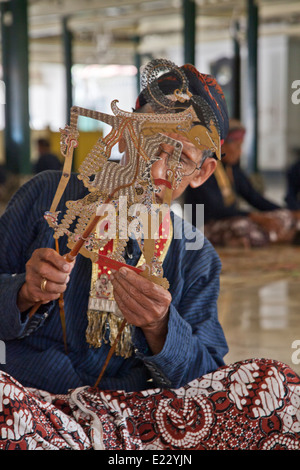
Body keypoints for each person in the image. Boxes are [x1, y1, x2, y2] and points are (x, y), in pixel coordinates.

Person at [0, 60, 299, 451]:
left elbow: (207, 382)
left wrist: (161, 328)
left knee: (278, 389)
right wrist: (23, 293)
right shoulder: (47, 195)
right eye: (148, 143)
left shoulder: (196, 256)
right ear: (124, 136)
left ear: (202, 172)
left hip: (137, 424)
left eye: (179, 158)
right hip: (29, 407)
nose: (155, 169)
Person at [185, 119, 296, 247]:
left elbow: (254, 197)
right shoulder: (204, 170)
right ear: (222, 145)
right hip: (203, 226)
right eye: (237, 146)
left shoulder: (232, 169)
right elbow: (218, 210)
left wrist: (288, 211)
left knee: (283, 216)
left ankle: (268, 237)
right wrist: (255, 217)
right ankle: (275, 237)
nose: (240, 151)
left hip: (233, 220)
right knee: (244, 226)